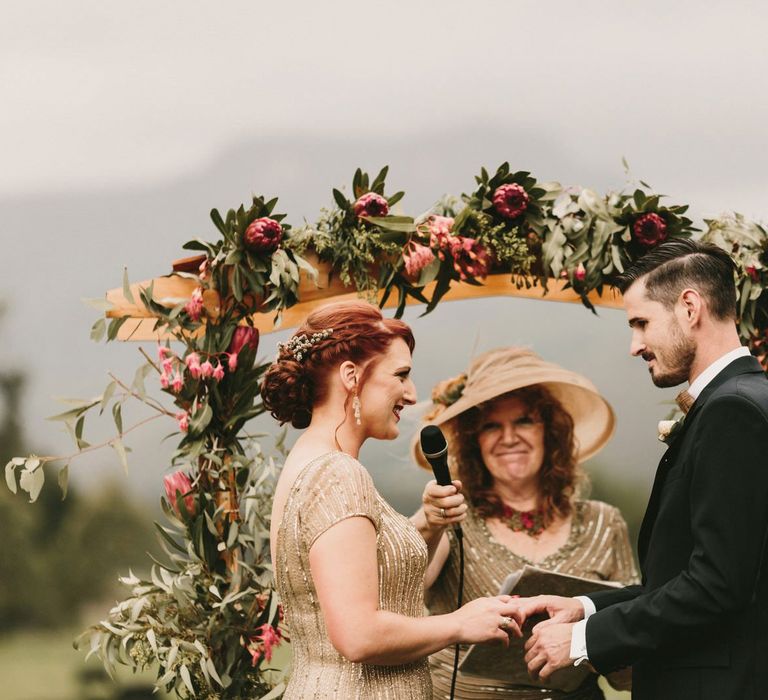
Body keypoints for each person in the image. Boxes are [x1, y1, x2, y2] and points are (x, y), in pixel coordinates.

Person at [520, 239, 768, 700]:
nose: (634, 346)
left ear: (690, 307)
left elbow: (717, 586)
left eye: (641, 323)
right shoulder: (738, 401)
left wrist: (585, 641)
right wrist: (585, 608)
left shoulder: (734, 411)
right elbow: (683, 576)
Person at [261, 300, 522, 700]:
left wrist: (426, 524)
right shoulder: (338, 474)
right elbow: (358, 635)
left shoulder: (307, 460)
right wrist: (460, 622)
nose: (412, 394)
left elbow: (362, 576)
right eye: (401, 375)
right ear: (351, 375)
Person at [410, 347, 638, 699]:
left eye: (524, 421)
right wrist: (430, 521)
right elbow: (403, 585)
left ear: (551, 433)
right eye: (491, 426)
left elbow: (632, 657)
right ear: (474, 443)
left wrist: (593, 645)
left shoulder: (604, 522)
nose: (509, 437)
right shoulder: (453, 517)